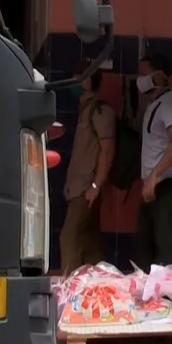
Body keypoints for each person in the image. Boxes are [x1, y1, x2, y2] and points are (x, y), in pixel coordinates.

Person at [134, 53, 172, 270]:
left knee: (165, 242)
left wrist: (155, 175)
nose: (139, 79)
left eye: (143, 74)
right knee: (144, 240)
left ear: (158, 76)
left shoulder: (170, 104)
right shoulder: (155, 104)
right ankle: (150, 294)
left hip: (169, 182)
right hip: (155, 183)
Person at [60, 62, 115, 275]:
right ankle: (101, 284)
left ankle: (70, 287)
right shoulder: (85, 111)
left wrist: (95, 185)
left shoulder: (100, 111)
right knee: (90, 242)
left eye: (77, 78)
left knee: (69, 237)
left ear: (87, 81)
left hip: (86, 188)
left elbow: (107, 150)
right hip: (78, 188)